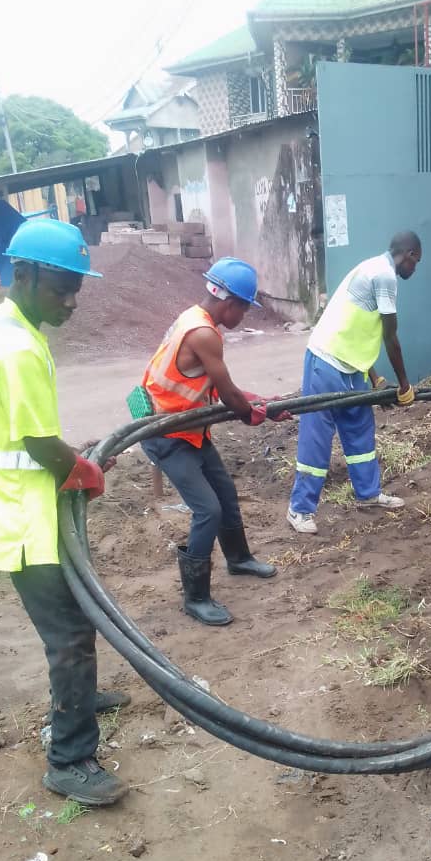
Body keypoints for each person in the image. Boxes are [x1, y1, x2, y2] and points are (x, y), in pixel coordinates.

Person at [0, 219, 129, 806]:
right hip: (24, 518)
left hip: (30, 505)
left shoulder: (7, 324)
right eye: (60, 289)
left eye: (76, 290)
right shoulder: (15, 345)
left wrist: (74, 466)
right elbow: (41, 445)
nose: (70, 303)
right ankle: (69, 758)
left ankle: (80, 697)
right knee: (69, 634)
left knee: (78, 615)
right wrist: (83, 469)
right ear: (27, 273)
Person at [139, 258, 290, 627]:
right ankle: (196, 597)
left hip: (189, 427)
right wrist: (255, 413)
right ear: (231, 303)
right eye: (245, 308)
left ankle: (238, 559)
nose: (244, 316)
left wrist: (261, 404)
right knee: (208, 509)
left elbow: (225, 391)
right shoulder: (204, 333)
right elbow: (230, 397)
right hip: (166, 433)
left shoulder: (194, 317)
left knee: (224, 493)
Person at [286, 231, 422, 535]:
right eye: (417, 262)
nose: (416, 268)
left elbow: (357, 329)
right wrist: (404, 385)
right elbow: (390, 336)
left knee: (360, 429)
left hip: (353, 368)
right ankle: (300, 509)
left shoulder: (371, 267)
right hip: (326, 360)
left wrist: (375, 378)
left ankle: (368, 494)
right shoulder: (385, 275)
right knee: (317, 436)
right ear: (409, 254)